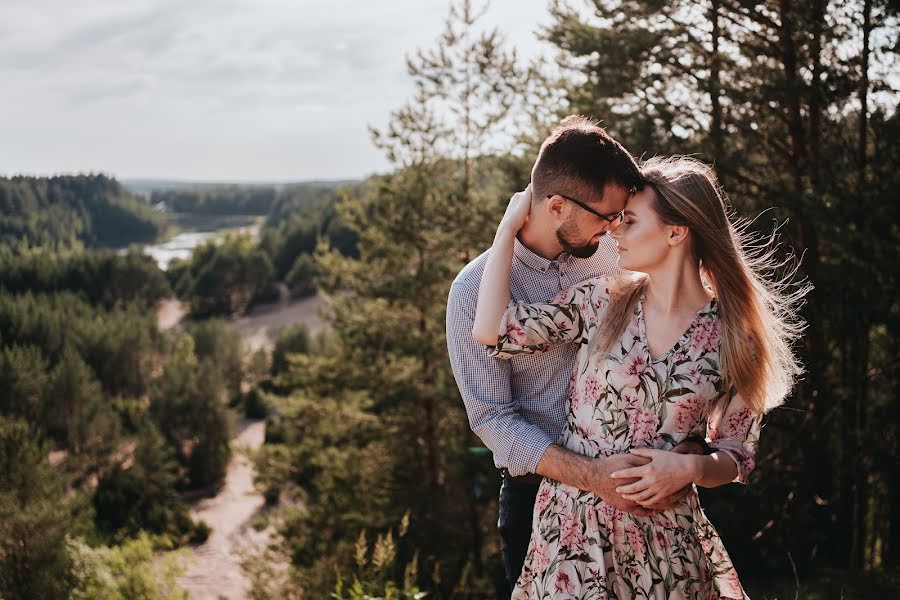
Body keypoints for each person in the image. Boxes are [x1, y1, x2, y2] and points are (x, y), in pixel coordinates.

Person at [472, 155, 808, 598]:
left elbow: (736, 455)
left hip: (665, 543)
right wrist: (506, 230)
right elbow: (492, 329)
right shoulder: (603, 299)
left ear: (675, 231)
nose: (614, 231)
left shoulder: (735, 336)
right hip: (572, 533)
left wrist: (688, 468)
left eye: (629, 221)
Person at [446, 116, 703, 597]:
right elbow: (491, 417)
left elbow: (682, 344)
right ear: (557, 205)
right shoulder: (472, 293)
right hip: (535, 497)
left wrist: (692, 449)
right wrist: (592, 476)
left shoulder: (617, 258)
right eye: (605, 217)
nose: (613, 230)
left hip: (642, 491)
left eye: (620, 218)